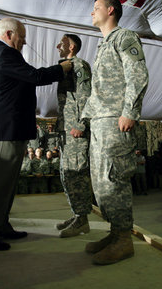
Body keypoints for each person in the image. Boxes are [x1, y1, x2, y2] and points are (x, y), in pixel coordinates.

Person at [0, 18, 72, 251]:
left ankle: (0, 225)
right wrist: (62, 69)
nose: (25, 41)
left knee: (6, 184)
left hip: (11, 129)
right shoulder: (2, 54)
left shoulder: (4, 54)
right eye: (22, 36)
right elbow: (35, 77)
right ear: (9, 34)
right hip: (4, 131)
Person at [81, 0, 149, 265]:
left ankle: (123, 239)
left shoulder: (125, 37)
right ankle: (114, 232)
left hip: (115, 120)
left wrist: (130, 111)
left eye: (96, 8)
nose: (91, 13)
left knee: (113, 178)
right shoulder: (103, 44)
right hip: (100, 120)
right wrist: (85, 119)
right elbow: (98, 90)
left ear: (110, 10)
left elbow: (137, 74)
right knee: (100, 182)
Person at [53, 33, 93, 237]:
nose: (58, 45)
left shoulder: (79, 66)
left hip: (76, 131)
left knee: (76, 174)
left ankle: (82, 219)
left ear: (72, 47)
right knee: (66, 173)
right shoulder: (64, 68)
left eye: (63, 42)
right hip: (66, 131)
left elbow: (86, 96)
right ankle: (77, 213)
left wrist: (81, 124)